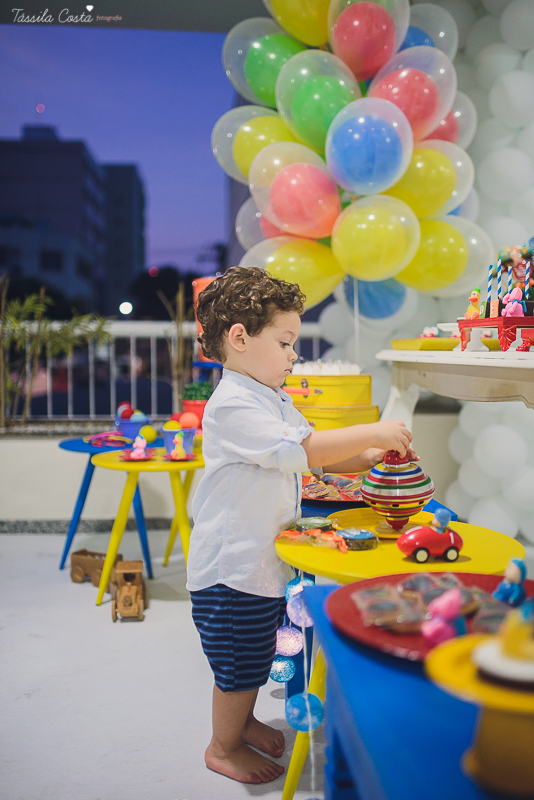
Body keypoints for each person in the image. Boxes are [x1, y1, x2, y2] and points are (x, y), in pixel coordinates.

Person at [186, 266, 416, 785]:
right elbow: (299, 450)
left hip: (260, 566)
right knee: (239, 665)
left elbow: (315, 458)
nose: (295, 354)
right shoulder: (232, 405)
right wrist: (371, 427)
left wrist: (368, 455)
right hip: (231, 571)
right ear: (239, 339)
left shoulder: (273, 397)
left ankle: (241, 723)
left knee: (255, 653)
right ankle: (222, 746)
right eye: (286, 342)